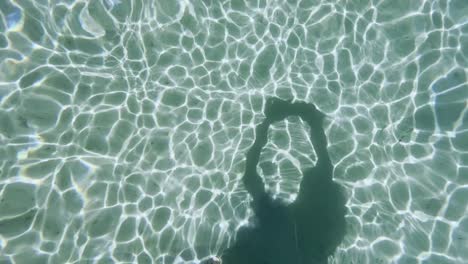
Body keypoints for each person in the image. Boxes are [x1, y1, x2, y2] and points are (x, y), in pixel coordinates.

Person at [221, 97, 347, 264]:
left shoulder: (277, 218)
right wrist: (313, 120)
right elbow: (324, 165)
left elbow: (250, 177)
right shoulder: (328, 229)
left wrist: (267, 122)